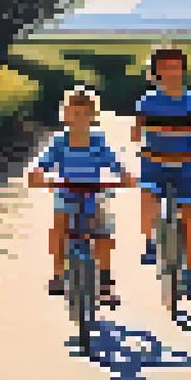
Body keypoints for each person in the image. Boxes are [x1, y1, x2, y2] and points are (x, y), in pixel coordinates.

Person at [28, 88, 136, 307]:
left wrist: (124, 175)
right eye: (74, 114)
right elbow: (42, 164)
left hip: (93, 193)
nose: (79, 119)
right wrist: (38, 174)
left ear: (93, 117)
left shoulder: (98, 141)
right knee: (60, 226)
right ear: (65, 115)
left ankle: (105, 283)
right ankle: (58, 274)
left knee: (103, 234)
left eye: (85, 114)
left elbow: (113, 163)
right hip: (66, 192)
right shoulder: (59, 142)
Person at [132, 47, 191, 299]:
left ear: (182, 70)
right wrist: (138, 138)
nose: (171, 72)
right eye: (165, 67)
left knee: (190, 217)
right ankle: (151, 242)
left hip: (185, 164)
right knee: (148, 196)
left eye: (175, 67)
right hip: (154, 161)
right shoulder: (148, 101)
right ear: (156, 72)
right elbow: (136, 130)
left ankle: (190, 272)